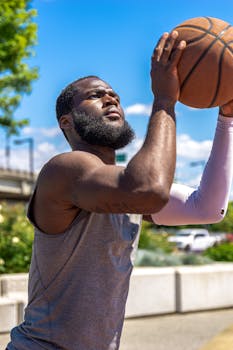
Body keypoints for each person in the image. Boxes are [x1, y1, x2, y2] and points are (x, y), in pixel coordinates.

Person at [6, 31, 233, 350]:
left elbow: (207, 208)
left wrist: (227, 119)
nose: (110, 98)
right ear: (66, 122)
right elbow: (149, 189)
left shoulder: (123, 188)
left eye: (114, 96)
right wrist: (165, 100)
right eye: (95, 95)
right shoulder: (66, 169)